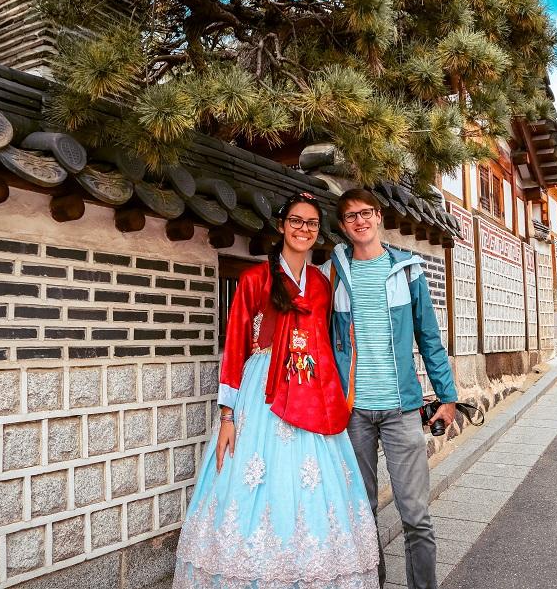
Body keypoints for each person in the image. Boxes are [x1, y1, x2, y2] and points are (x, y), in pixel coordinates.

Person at [174, 193, 379, 589]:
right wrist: (228, 416)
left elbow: (332, 341)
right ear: (282, 225)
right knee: (256, 481)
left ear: (319, 232)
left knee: (313, 487)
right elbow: (234, 347)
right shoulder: (255, 279)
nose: (304, 229)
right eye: (296, 222)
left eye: (312, 224)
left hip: (311, 387)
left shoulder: (321, 285)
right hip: (262, 391)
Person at [324, 188, 457, 589]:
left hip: (401, 409)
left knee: (415, 515)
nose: (360, 222)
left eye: (366, 213)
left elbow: (429, 337)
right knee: (361, 514)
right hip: (353, 413)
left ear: (379, 217)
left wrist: (447, 396)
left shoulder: (408, 269)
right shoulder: (334, 273)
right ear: (344, 227)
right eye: (350, 217)